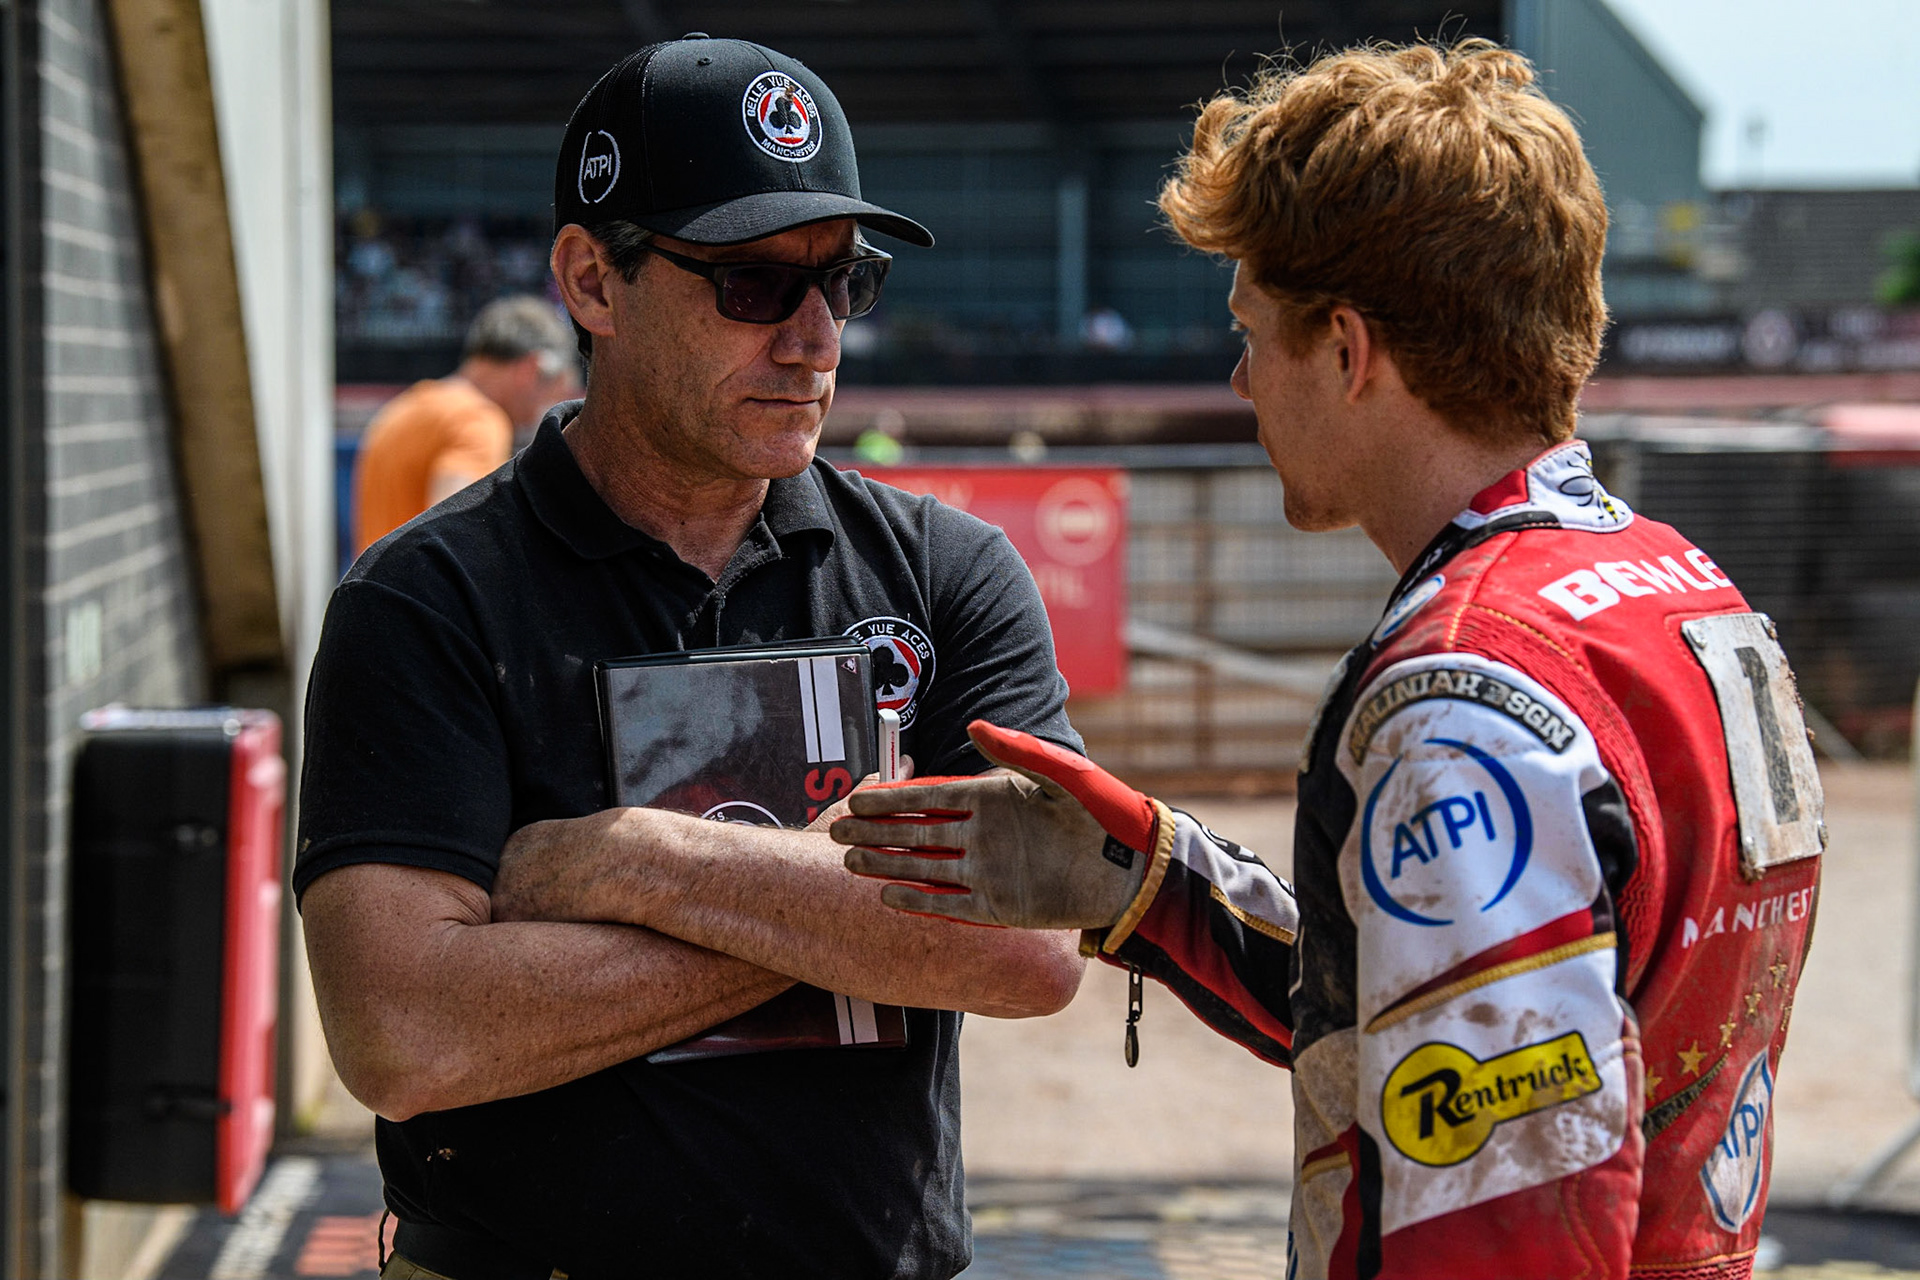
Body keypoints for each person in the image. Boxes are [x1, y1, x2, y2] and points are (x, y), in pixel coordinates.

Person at [833, 40, 1823, 1280]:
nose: (1241, 378)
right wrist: (1149, 882)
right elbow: (1456, 1021)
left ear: (1349, 351)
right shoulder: (1685, 591)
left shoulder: (1458, 691)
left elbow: (1500, 1197)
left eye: (1252, 331)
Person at [297, 35, 1085, 1280]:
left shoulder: (948, 568)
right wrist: (845, 903)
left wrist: (636, 860)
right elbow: (404, 1031)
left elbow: (1034, 943)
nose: (817, 338)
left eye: (846, 281)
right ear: (592, 282)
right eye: (755, 283)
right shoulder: (425, 598)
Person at [351, 294, 580, 555]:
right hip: (429, 594)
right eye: (552, 393)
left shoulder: (404, 409)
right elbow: (458, 538)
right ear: (531, 369)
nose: (545, 411)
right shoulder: (478, 422)